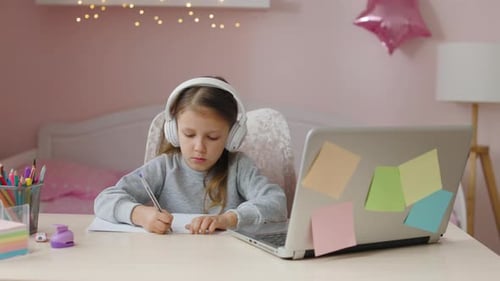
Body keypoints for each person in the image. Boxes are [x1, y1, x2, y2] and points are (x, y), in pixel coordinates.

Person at [94, 76, 288, 235]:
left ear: (232, 137)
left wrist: (228, 219)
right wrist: (139, 214)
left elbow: (276, 201)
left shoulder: (239, 167)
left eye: (212, 137)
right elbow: (104, 200)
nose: (199, 147)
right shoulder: (163, 167)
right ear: (174, 131)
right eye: (189, 134)